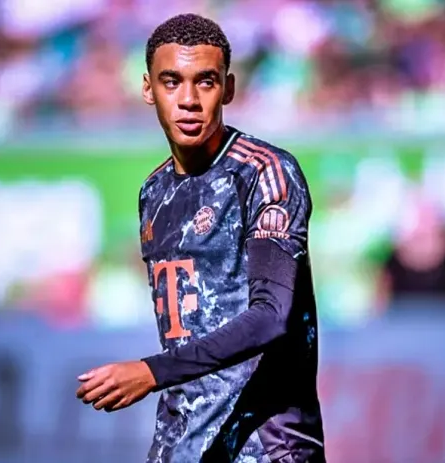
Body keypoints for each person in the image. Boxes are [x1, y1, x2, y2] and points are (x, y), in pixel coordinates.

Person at [76, 14, 325, 463]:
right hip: (182, 449)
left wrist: (152, 372)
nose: (188, 100)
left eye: (205, 82)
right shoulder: (154, 193)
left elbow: (272, 317)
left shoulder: (265, 172)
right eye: (171, 82)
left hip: (266, 450)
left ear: (228, 89)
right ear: (148, 88)